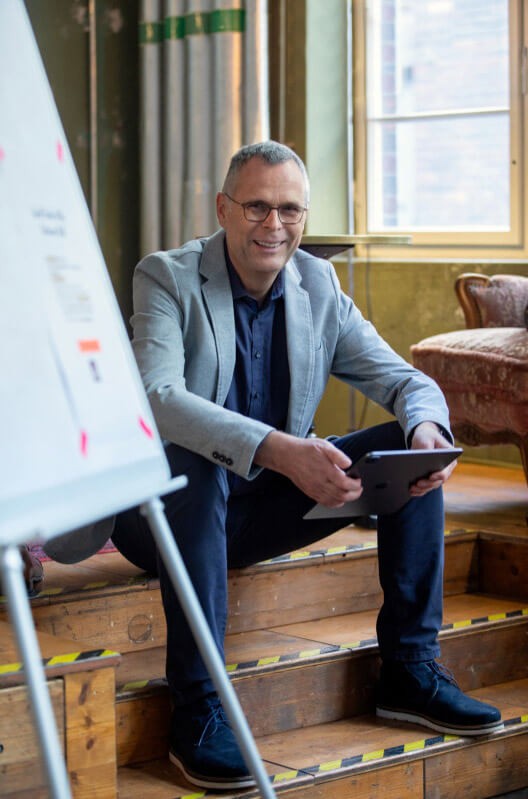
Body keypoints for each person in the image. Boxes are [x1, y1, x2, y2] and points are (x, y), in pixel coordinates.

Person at [112, 140, 502, 790]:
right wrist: (278, 449)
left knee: (410, 452)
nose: (274, 225)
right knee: (198, 461)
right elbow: (160, 400)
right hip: (159, 516)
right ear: (223, 209)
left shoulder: (318, 285)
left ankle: (409, 668)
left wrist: (428, 424)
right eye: (257, 207)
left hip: (258, 509)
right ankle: (200, 711)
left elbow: (407, 380)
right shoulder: (167, 276)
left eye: (289, 209)